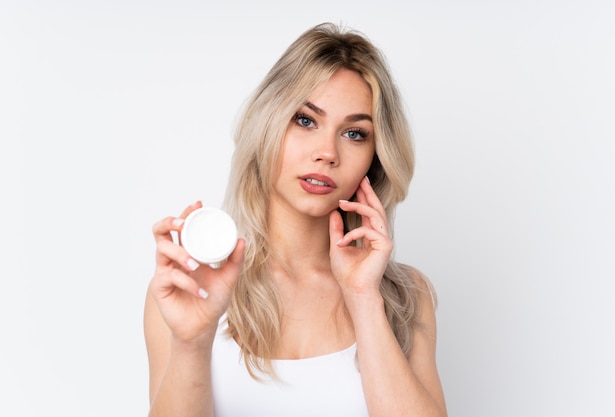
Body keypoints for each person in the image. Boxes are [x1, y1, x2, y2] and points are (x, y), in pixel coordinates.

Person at [144, 22, 447, 417]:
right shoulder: (189, 288)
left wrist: (362, 298)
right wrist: (191, 341)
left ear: (376, 158)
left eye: (355, 133)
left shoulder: (405, 296)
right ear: (267, 125)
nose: (327, 152)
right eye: (305, 120)